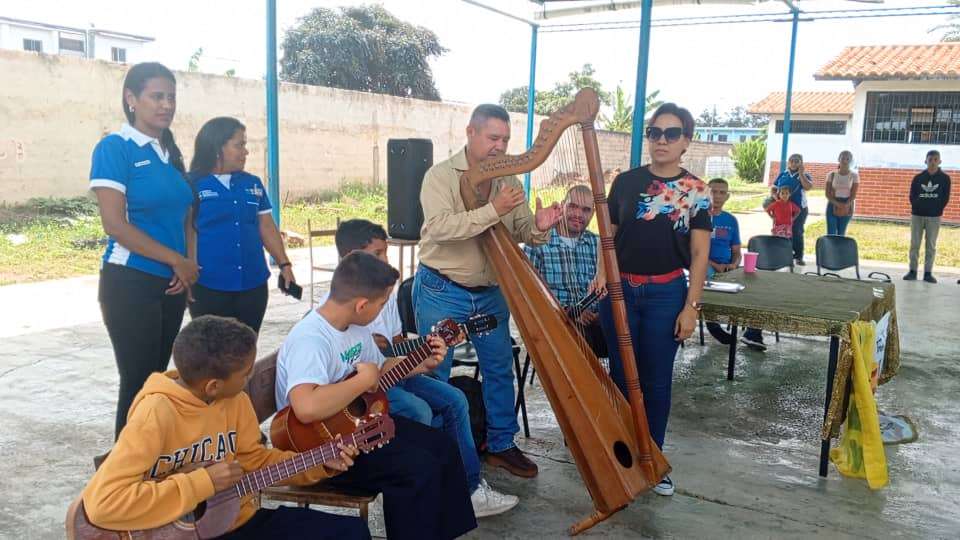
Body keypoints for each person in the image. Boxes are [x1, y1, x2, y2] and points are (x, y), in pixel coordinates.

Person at [81, 315, 369, 540]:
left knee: (349, 533)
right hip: (176, 530)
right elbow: (103, 504)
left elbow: (255, 461)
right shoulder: (155, 414)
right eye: (245, 374)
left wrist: (317, 461)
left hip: (236, 521)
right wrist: (202, 483)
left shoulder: (235, 400)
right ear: (213, 386)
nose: (250, 378)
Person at [275, 252, 477, 540]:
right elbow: (306, 407)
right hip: (322, 449)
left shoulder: (353, 328)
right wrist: (362, 382)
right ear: (361, 305)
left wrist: (423, 361)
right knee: (416, 468)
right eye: (382, 304)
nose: (384, 311)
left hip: (353, 431)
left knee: (441, 445)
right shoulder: (311, 339)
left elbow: (380, 371)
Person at [327, 219, 518, 517]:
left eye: (386, 253)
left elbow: (394, 345)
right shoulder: (341, 303)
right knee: (419, 411)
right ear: (352, 257)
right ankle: (428, 489)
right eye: (377, 255)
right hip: (360, 394)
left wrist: (423, 353)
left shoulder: (383, 292)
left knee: (455, 399)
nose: (385, 262)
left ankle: (468, 490)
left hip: (389, 375)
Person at [413, 104, 562, 479]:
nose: (500, 146)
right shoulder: (440, 176)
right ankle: (438, 455)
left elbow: (524, 229)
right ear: (471, 133)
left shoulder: (509, 180)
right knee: (436, 374)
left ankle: (500, 445)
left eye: (506, 139)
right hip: (442, 289)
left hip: (490, 293)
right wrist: (493, 210)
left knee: (499, 368)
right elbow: (442, 228)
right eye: (493, 137)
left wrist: (540, 226)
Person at [592, 103, 712, 496]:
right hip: (620, 290)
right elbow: (606, 237)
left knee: (656, 382)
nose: (661, 140)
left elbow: (699, 255)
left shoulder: (697, 191)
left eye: (671, 133)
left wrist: (690, 307)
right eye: (654, 132)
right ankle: (621, 456)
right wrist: (600, 273)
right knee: (621, 376)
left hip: (666, 294)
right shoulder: (625, 183)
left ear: (686, 142)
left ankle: (653, 460)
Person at [90, 62, 198, 438]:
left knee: (156, 382)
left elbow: (186, 219)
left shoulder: (168, 155)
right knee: (137, 381)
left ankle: (147, 470)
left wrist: (188, 267)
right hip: (130, 281)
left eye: (171, 97)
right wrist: (177, 261)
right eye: (156, 96)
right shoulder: (115, 148)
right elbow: (115, 225)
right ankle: (118, 483)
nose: (166, 104)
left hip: (170, 283)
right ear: (131, 99)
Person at [187, 117, 297, 333]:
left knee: (245, 350)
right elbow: (183, 230)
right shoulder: (190, 184)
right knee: (212, 353)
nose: (245, 152)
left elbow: (266, 226)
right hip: (208, 285)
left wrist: (285, 265)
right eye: (239, 145)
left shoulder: (252, 183)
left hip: (253, 284)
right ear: (217, 147)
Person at [524, 184, 607, 358]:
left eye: (585, 210)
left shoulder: (597, 244)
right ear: (562, 205)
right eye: (573, 206)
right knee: (580, 341)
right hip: (556, 323)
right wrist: (569, 312)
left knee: (627, 340)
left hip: (595, 322)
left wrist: (601, 314)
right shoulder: (538, 243)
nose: (578, 214)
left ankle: (614, 384)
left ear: (592, 214)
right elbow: (529, 296)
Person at [904, 150, 952, 284]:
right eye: (930, 159)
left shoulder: (945, 179)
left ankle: (928, 273)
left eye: (935, 160)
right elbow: (912, 195)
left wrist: (937, 209)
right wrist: (917, 206)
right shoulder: (918, 178)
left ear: (940, 161)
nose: (932, 162)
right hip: (917, 215)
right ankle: (912, 271)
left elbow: (945, 197)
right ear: (925, 161)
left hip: (934, 216)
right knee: (915, 244)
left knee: (930, 245)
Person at [704, 178, 741, 345]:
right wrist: (715, 265)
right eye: (713, 191)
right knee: (707, 276)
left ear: (727, 196)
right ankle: (713, 325)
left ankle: (754, 332)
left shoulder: (731, 220)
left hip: (727, 266)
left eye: (722, 192)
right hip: (705, 265)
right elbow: (692, 251)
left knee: (753, 284)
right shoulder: (698, 217)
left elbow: (737, 251)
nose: (717, 196)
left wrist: (733, 264)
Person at [773, 153, 814, 265]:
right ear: (788, 162)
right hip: (783, 209)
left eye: (797, 161)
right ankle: (786, 254)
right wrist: (775, 198)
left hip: (799, 209)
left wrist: (801, 173)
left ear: (801, 163)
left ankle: (798, 256)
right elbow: (774, 188)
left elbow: (808, 187)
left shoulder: (805, 175)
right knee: (784, 231)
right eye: (791, 160)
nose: (794, 163)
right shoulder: (783, 174)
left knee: (797, 231)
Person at [825, 150, 859, 236]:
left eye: (847, 159)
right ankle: (830, 249)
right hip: (833, 204)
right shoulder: (831, 174)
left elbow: (853, 194)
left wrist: (845, 205)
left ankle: (840, 249)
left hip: (848, 203)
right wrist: (837, 203)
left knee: (841, 233)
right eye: (843, 158)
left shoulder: (854, 175)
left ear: (851, 161)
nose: (844, 160)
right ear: (838, 159)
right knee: (831, 233)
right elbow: (827, 193)